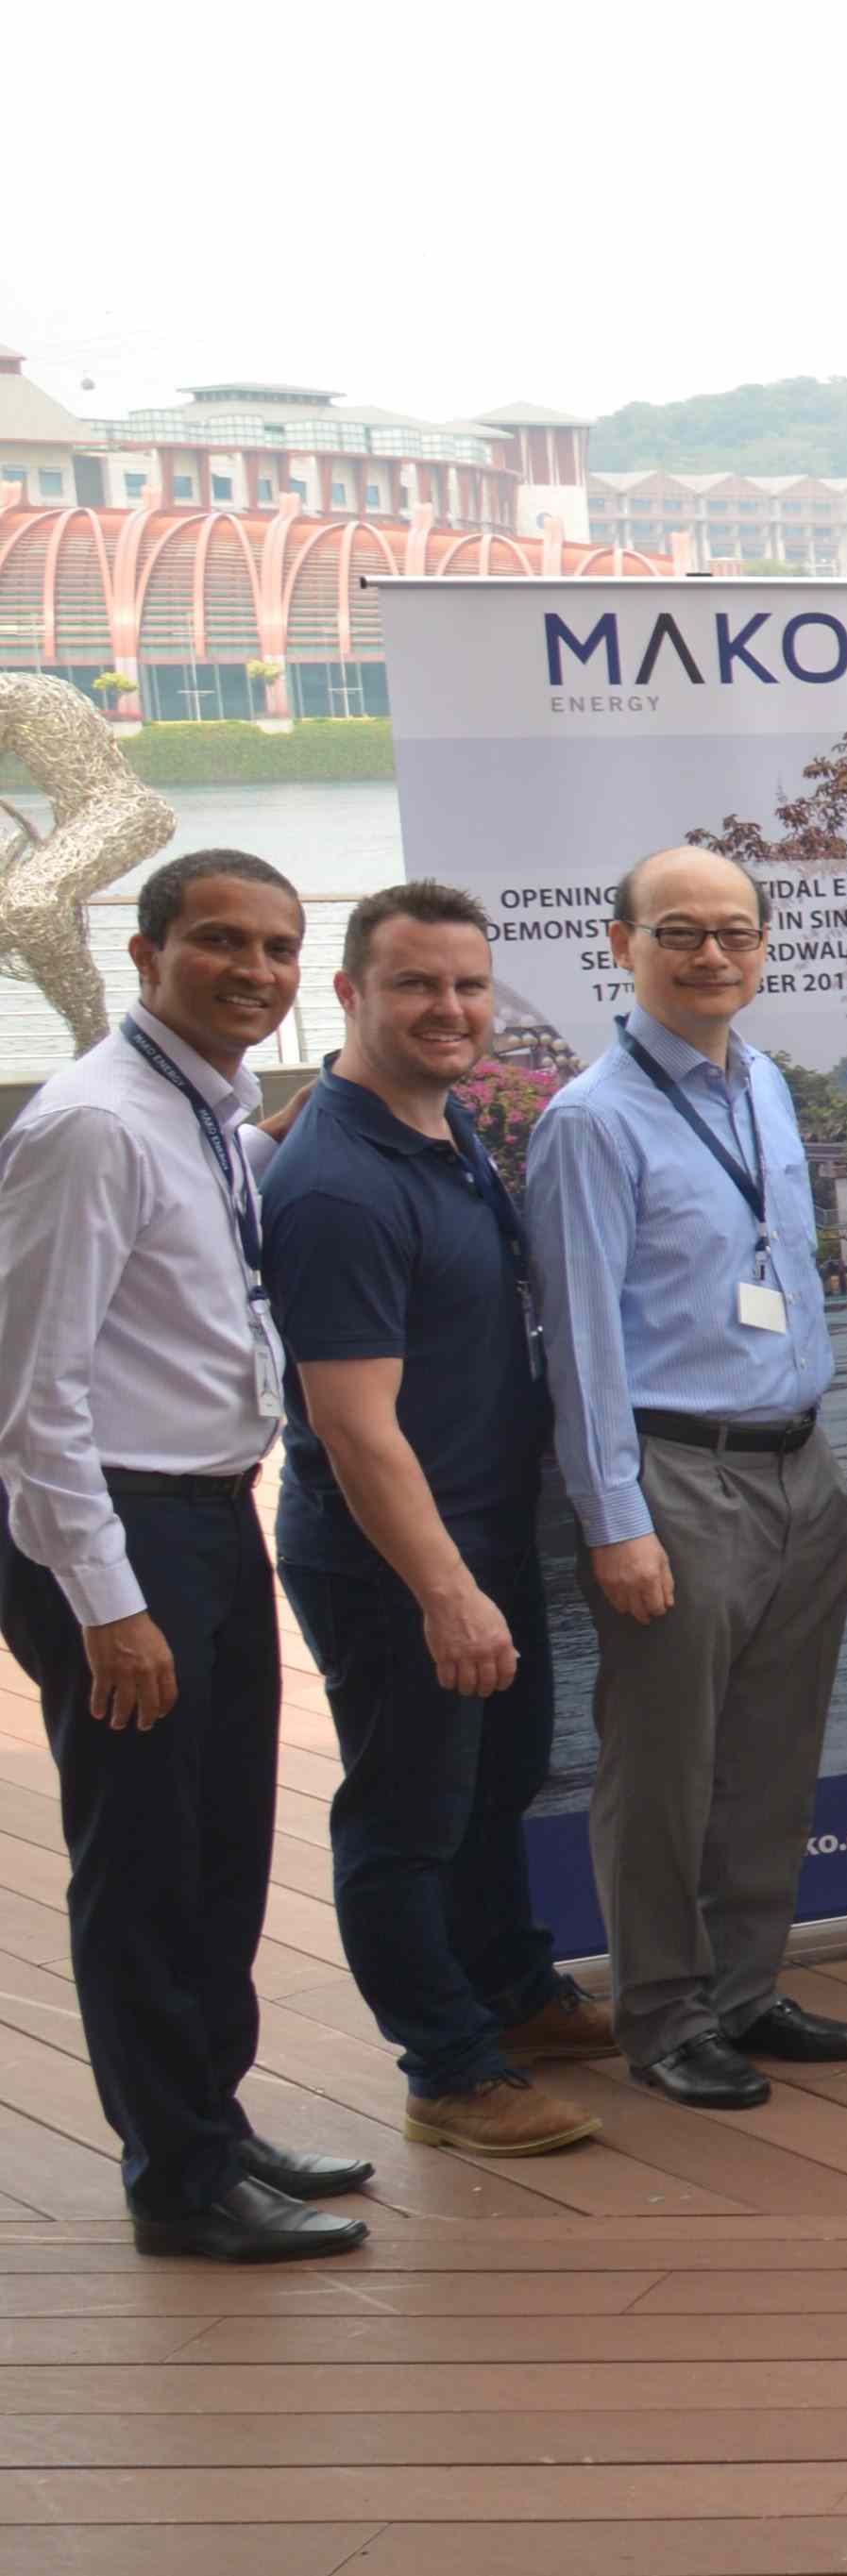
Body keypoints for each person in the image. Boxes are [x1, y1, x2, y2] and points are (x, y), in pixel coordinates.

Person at [0, 850, 373, 2259]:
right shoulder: (93, 1124)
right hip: (116, 1521)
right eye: (221, 942)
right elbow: (31, 1396)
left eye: (279, 948)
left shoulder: (204, 1111)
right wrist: (107, 1604)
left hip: (206, 1507)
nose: (256, 971)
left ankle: (209, 2122)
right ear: (147, 952)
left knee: (220, 1840)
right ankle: (177, 2178)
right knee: (146, 1854)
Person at [263, 884, 606, 2160]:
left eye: (468, 986)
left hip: (486, 1525)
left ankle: (510, 1989)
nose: (450, 1009)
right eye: (415, 985)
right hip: (397, 1553)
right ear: (348, 995)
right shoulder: (342, 1186)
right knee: (405, 1815)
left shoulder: (436, 1120)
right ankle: (448, 2070)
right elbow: (354, 1426)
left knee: (498, 1779)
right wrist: (444, 1589)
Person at [530, 845, 847, 2112]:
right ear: (622, 947)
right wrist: (616, 1522)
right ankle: (665, 2013)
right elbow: (582, 1346)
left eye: (735, 931)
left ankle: (745, 1987)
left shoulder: (763, 1085)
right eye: (680, 932)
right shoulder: (591, 1122)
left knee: (773, 1755)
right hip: (677, 1475)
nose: (712, 954)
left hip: (798, 1464)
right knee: (665, 1770)